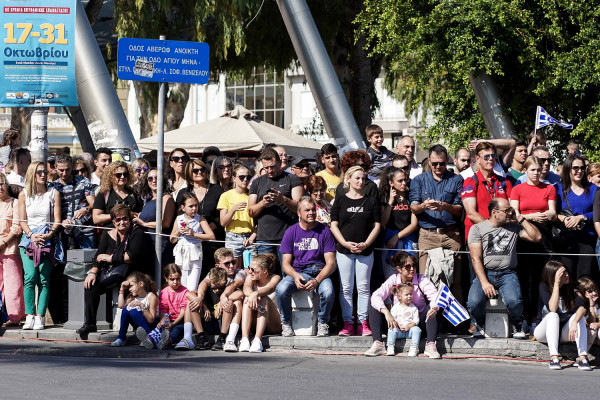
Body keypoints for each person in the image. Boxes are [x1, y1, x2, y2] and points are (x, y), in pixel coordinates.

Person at [467, 197, 541, 338]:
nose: (509, 212)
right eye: (506, 210)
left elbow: (537, 237)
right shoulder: (477, 229)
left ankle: (517, 323)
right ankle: (478, 323)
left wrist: (519, 218)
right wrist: (484, 282)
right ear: (494, 212)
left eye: (510, 210)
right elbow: (475, 258)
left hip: (508, 273)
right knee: (473, 302)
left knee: (514, 301)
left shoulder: (514, 227)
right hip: (486, 272)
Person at [77, 204, 153, 337]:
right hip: (114, 272)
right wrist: (93, 271)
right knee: (91, 285)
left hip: (134, 272)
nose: (122, 222)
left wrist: (108, 258)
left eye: (125, 218)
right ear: (113, 222)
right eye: (118, 220)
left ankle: (138, 327)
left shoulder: (137, 232)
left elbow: (132, 256)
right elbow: (98, 256)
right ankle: (90, 323)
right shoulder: (108, 233)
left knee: (131, 285)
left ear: (129, 220)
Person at [330, 166, 381, 336]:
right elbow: (334, 224)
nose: (361, 182)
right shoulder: (340, 200)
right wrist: (344, 242)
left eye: (363, 179)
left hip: (365, 251)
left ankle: (363, 322)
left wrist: (366, 244)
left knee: (364, 287)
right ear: (349, 179)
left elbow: (377, 225)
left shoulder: (371, 201)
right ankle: (347, 322)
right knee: (346, 288)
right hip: (344, 250)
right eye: (357, 178)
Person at [277, 196, 337, 337]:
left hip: (319, 271)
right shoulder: (291, 231)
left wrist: (317, 280)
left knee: (328, 291)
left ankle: (323, 322)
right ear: (299, 213)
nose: (311, 213)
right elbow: (285, 263)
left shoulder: (325, 231)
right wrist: (295, 276)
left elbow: (331, 263)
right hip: (298, 271)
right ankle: (286, 323)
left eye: (313, 210)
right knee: (281, 289)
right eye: (307, 210)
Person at [510, 156, 557, 328]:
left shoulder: (549, 188)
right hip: (524, 234)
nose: (536, 173)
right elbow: (514, 213)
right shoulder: (518, 189)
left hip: (543, 235)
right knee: (523, 277)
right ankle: (525, 315)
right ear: (525, 171)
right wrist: (531, 216)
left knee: (540, 277)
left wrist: (545, 215)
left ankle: (538, 314)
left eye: (538, 169)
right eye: (533, 170)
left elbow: (552, 211)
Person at [365, 252, 440, 358]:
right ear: (399, 269)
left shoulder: (421, 279)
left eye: (414, 265)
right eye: (408, 266)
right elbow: (376, 296)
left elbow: (435, 296)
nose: (412, 269)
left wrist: (434, 308)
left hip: (417, 323)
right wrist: (386, 312)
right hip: (396, 324)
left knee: (431, 308)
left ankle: (431, 344)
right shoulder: (393, 279)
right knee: (374, 304)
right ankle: (378, 343)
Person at [409, 145, 463, 292]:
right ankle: (428, 314)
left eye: (442, 163)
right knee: (425, 281)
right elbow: (413, 207)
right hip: (427, 235)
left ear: (447, 161)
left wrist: (445, 206)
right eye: (434, 163)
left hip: (451, 234)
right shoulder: (418, 180)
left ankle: (457, 315)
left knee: (455, 281)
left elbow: (459, 209)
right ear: (428, 161)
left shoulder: (457, 180)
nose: (438, 166)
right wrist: (423, 206)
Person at [50, 154, 96, 324]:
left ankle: (87, 316)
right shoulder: (53, 187)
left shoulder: (83, 182)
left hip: (84, 232)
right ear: (55, 168)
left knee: (86, 272)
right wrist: (61, 222)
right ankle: (66, 315)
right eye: (60, 170)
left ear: (72, 167)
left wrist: (85, 209)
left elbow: (94, 204)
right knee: (65, 275)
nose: (64, 173)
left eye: (67, 170)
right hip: (63, 234)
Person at [18, 162, 62, 330]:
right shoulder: (24, 194)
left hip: (47, 238)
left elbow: (57, 219)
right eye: (39, 172)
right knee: (29, 277)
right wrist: (31, 235)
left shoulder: (53, 193)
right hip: (28, 239)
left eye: (45, 172)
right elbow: (22, 220)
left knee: (44, 279)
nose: (43, 175)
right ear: (32, 174)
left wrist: (49, 234)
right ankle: (29, 315)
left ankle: (40, 316)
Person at [175, 248, 246, 350]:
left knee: (235, 302)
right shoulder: (213, 273)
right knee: (192, 301)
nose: (231, 266)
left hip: (226, 315)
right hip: (210, 317)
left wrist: (223, 297)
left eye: (233, 262)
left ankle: (227, 339)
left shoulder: (239, 272)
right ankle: (194, 337)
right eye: (227, 263)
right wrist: (201, 300)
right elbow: (203, 284)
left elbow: (235, 285)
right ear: (217, 266)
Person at [533, 260, 591, 371]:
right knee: (553, 315)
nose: (567, 275)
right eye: (562, 273)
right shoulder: (544, 286)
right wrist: (556, 285)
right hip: (543, 332)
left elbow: (582, 308)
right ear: (553, 275)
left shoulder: (570, 287)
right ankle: (554, 358)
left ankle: (583, 358)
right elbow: (552, 308)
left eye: (566, 272)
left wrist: (574, 322)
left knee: (579, 317)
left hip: (563, 332)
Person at [248, 148, 303, 259]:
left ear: (279, 162)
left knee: (287, 272)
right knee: (264, 274)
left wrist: (282, 199)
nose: (269, 170)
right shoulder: (257, 182)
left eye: (272, 167)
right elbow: (250, 212)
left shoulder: (292, 179)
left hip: (287, 236)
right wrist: (263, 202)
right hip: (264, 239)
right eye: (266, 168)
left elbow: (300, 208)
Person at [176, 158, 224, 280]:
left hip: (212, 242)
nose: (199, 172)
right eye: (195, 170)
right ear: (189, 173)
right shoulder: (183, 192)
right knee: (190, 280)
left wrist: (208, 228)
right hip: (189, 245)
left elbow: (222, 214)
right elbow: (178, 216)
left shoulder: (217, 190)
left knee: (213, 279)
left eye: (202, 169)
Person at [555, 154, 597, 279]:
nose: (579, 171)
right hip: (566, 238)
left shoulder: (593, 189)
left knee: (585, 277)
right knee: (567, 277)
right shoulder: (557, 188)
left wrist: (582, 217)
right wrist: (564, 219)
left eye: (582, 168)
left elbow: (598, 212)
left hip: (587, 239)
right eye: (575, 168)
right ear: (568, 169)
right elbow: (551, 213)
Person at [170, 192, 215, 290]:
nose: (194, 208)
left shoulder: (200, 219)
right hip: (181, 254)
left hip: (195, 255)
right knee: (181, 285)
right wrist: (178, 232)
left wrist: (194, 234)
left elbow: (211, 236)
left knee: (192, 287)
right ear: (183, 207)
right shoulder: (178, 219)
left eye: (196, 205)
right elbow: (172, 240)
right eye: (191, 206)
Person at [379, 167, 418, 278]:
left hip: (408, 240)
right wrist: (390, 202)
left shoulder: (411, 196)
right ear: (391, 183)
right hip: (389, 242)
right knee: (391, 278)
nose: (403, 183)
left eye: (405, 180)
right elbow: (383, 222)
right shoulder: (385, 197)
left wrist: (397, 236)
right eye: (400, 181)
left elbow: (414, 224)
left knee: (409, 277)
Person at [239, 254, 282, 352]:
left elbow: (269, 289)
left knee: (263, 297)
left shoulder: (275, 278)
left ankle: (257, 340)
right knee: (247, 298)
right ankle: (245, 339)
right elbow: (246, 288)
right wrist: (252, 296)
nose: (250, 271)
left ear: (265, 271)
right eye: (249, 268)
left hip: (273, 323)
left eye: (253, 269)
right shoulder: (251, 277)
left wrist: (256, 293)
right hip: (256, 320)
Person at [139, 264, 188, 349]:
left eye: (178, 279)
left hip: (179, 321)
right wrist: (163, 322)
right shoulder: (164, 292)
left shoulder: (185, 291)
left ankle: (165, 341)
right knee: (159, 328)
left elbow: (183, 311)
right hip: (168, 320)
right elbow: (163, 309)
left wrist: (173, 324)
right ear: (166, 279)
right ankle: (150, 339)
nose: (175, 282)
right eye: (172, 279)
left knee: (177, 330)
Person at [217, 164, 256, 266]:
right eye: (241, 177)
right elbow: (223, 222)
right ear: (234, 178)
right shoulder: (226, 195)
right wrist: (233, 209)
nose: (245, 180)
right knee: (233, 270)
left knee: (252, 272)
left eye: (248, 177)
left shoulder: (253, 195)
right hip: (233, 237)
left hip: (250, 237)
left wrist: (252, 237)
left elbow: (259, 221)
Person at [132, 168, 176, 256]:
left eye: (157, 178)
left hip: (160, 244)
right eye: (150, 179)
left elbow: (165, 223)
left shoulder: (167, 198)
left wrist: (144, 224)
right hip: (146, 243)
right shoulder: (147, 200)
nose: (154, 181)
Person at [111, 271, 159, 347]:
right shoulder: (132, 297)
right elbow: (120, 306)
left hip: (152, 326)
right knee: (126, 310)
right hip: (141, 327)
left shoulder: (151, 296)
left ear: (141, 284)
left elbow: (151, 320)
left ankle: (149, 337)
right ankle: (121, 338)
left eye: (131, 286)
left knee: (133, 312)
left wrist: (141, 305)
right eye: (128, 287)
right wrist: (121, 288)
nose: (129, 289)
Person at [0, 172, 24, 325]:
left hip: (9, 249)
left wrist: (3, 242)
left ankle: (15, 317)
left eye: (1, 183)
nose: (0, 187)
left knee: (13, 284)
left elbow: (16, 227)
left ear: (7, 185)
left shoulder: (14, 203)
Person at [92, 161, 142, 227]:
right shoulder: (104, 194)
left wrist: (131, 214)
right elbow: (96, 219)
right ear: (111, 176)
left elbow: (141, 215)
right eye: (118, 175)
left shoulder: (134, 194)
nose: (122, 177)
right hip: (110, 233)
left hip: (131, 233)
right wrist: (117, 215)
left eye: (125, 174)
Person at [386, 283, 421, 356]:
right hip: (399, 330)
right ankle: (390, 346)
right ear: (399, 297)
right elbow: (393, 319)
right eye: (406, 295)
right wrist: (398, 325)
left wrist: (409, 326)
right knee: (391, 329)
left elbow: (416, 320)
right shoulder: (395, 308)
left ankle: (414, 347)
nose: (409, 296)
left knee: (417, 330)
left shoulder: (413, 308)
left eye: (411, 294)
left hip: (409, 332)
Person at [577, 277, 600, 349]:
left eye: (595, 290)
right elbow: (591, 322)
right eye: (590, 291)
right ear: (584, 293)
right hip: (585, 334)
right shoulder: (581, 304)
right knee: (592, 332)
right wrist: (591, 306)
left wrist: (598, 324)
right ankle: (583, 355)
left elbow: (594, 324)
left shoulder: (598, 303)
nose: (594, 293)